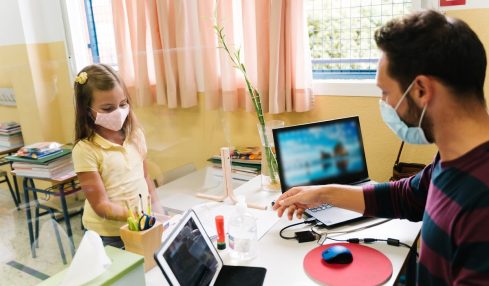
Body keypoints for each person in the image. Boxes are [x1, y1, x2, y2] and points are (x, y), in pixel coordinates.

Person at [273, 10, 489, 284]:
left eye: (386, 92)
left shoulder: (482, 200)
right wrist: (324, 193)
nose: (385, 104)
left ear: (421, 89)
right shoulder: (454, 158)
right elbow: (406, 197)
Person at [72, 63, 163, 248]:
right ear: (87, 110)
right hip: (109, 234)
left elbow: (145, 177)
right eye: (107, 108)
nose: (118, 112)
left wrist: (156, 207)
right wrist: (136, 216)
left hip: (140, 222)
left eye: (123, 104)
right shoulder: (85, 150)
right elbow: (101, 206)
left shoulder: (135, 135)